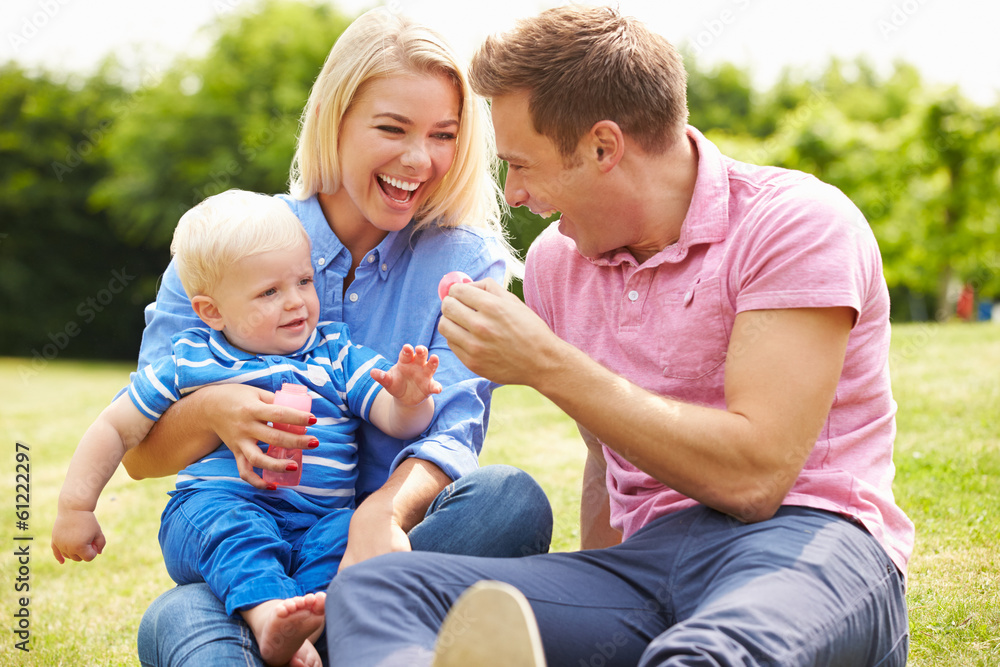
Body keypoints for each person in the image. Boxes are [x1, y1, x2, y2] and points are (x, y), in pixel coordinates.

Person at [324, 6, 914, 666]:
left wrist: (548, 364)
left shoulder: (796, 224)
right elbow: (608, 460)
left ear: (603, 147)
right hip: (645, 568)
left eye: (521, 164)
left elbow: (755, 477)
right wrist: (591, 593)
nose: (513, 194)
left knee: (709, 655)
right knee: (377, 590)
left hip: (807, 543)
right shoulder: (557, 262)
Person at [121, 9, 553, 666]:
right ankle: (350, 639)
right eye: (392, 128)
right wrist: (213, 409)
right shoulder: (226, 247)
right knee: (179, 615)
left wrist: (380, 515)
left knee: (507, 500)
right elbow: (141, 454)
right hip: (255, 557)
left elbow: (451, 432)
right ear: (335, 118)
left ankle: (326, 633)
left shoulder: (464, 261)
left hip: (395, 545)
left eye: (443, 134)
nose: (419, 159)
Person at [53, 189, 446, 666]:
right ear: (211, 311)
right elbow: (117, 428)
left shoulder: (333, 353)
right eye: (269, 292)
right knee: (235, 529)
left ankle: (306, 624)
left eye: (303, 280)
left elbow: (396, 418)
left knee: (350, 535)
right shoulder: (194, 360)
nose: (296, 301)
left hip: (318, 521)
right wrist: (76, 506)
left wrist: (408, 396)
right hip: (218, 507)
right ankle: (267, 615)